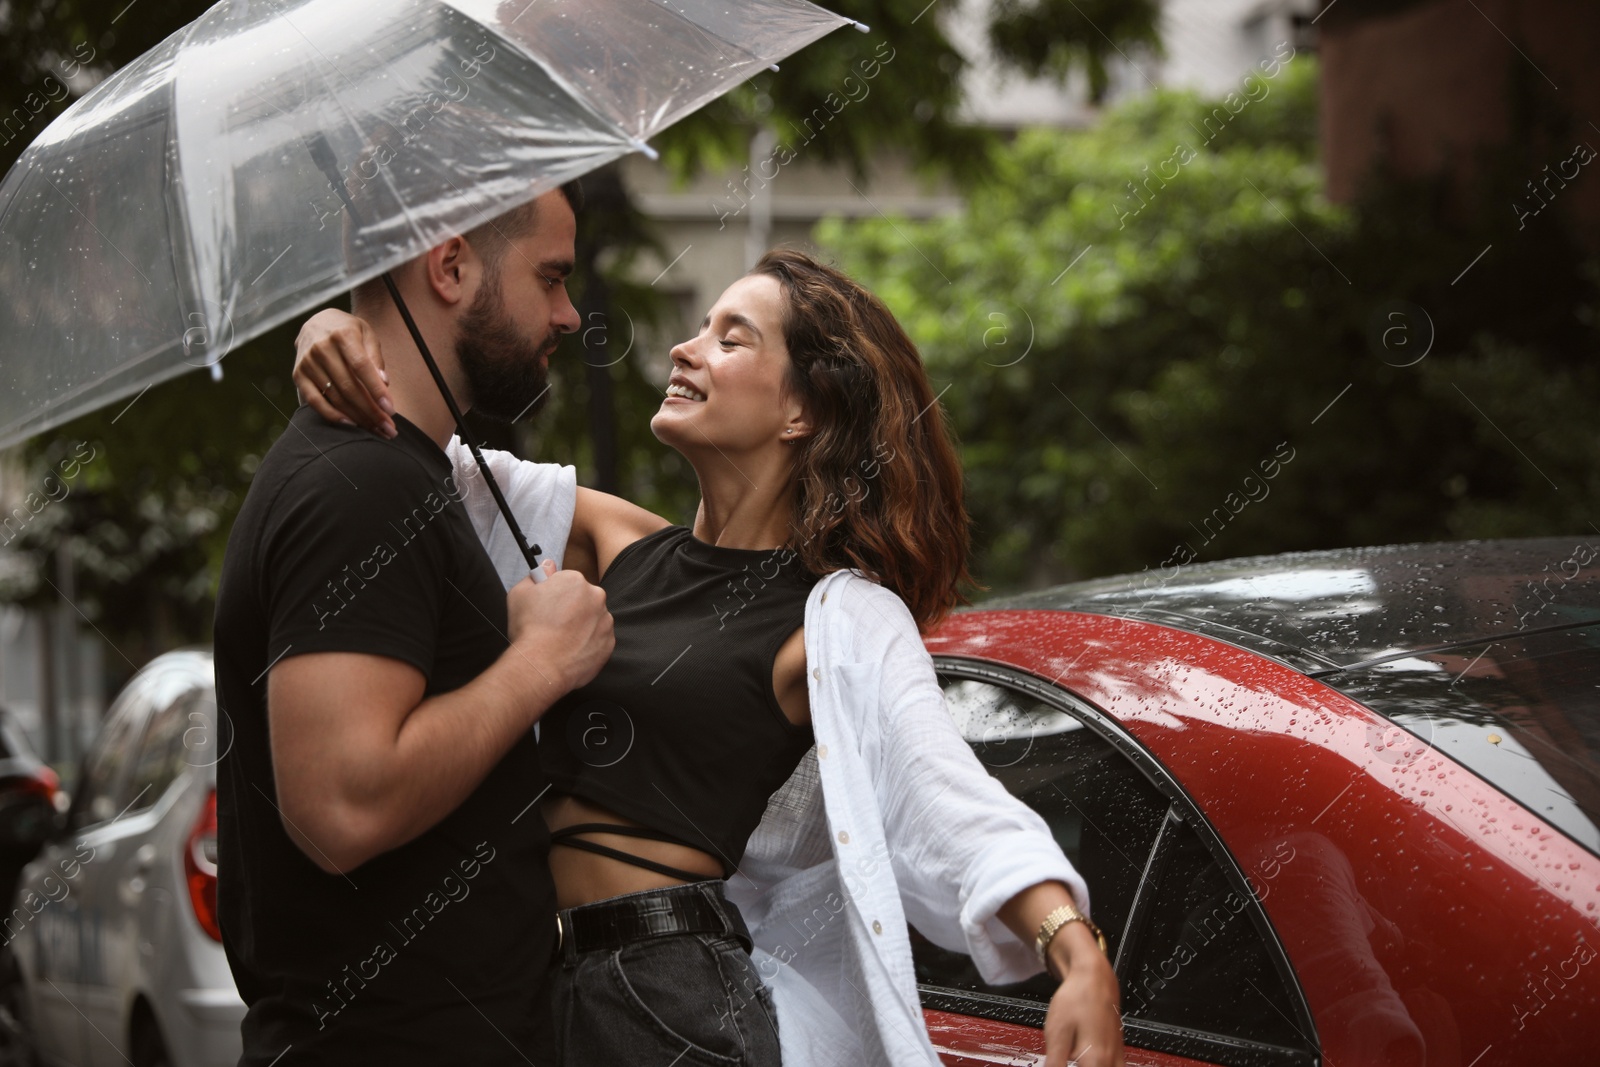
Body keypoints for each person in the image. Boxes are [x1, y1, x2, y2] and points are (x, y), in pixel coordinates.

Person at [293, 248, 1126, 1067]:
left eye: (732, 339)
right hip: (528, 988)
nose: (685, 349)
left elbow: (944, 792)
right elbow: (414, 452)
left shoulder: (836, 618)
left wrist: (1074, 950)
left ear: (802, 412)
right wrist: (334, 328)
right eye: (699, 327)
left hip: (665, 996)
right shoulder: (622, 546)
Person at [212, 183, 615, 1067]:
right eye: (549, 277)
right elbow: (341, 806)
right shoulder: (362, 487)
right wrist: (539, 663)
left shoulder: (406, 473)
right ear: (451, 264)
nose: (567, 313)